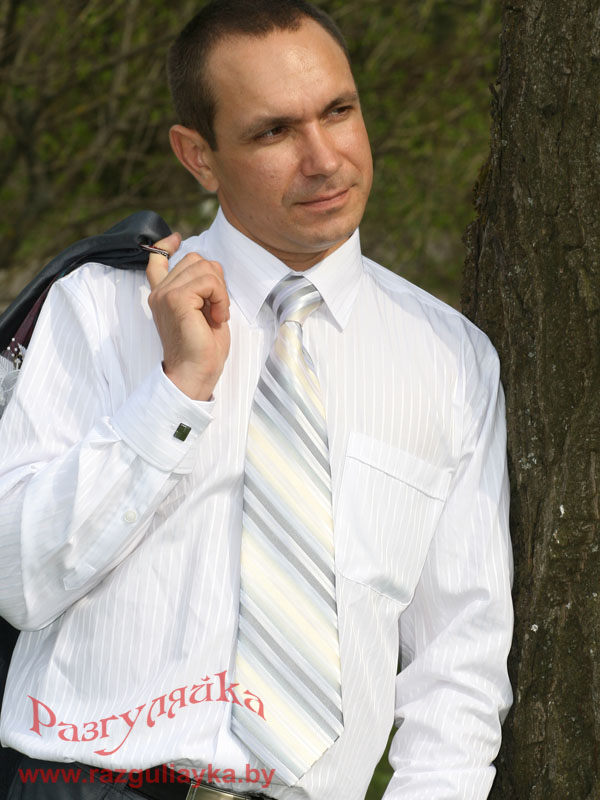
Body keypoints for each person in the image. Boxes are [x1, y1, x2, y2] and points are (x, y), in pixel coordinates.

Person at [0, 1, 513, 798]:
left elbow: (460, 665)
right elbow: (18, 579)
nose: (324, 159)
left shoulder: (450, 358)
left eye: (338, 111)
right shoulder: (96, 308)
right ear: (198, 157)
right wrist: (175, 392)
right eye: (274, 132)